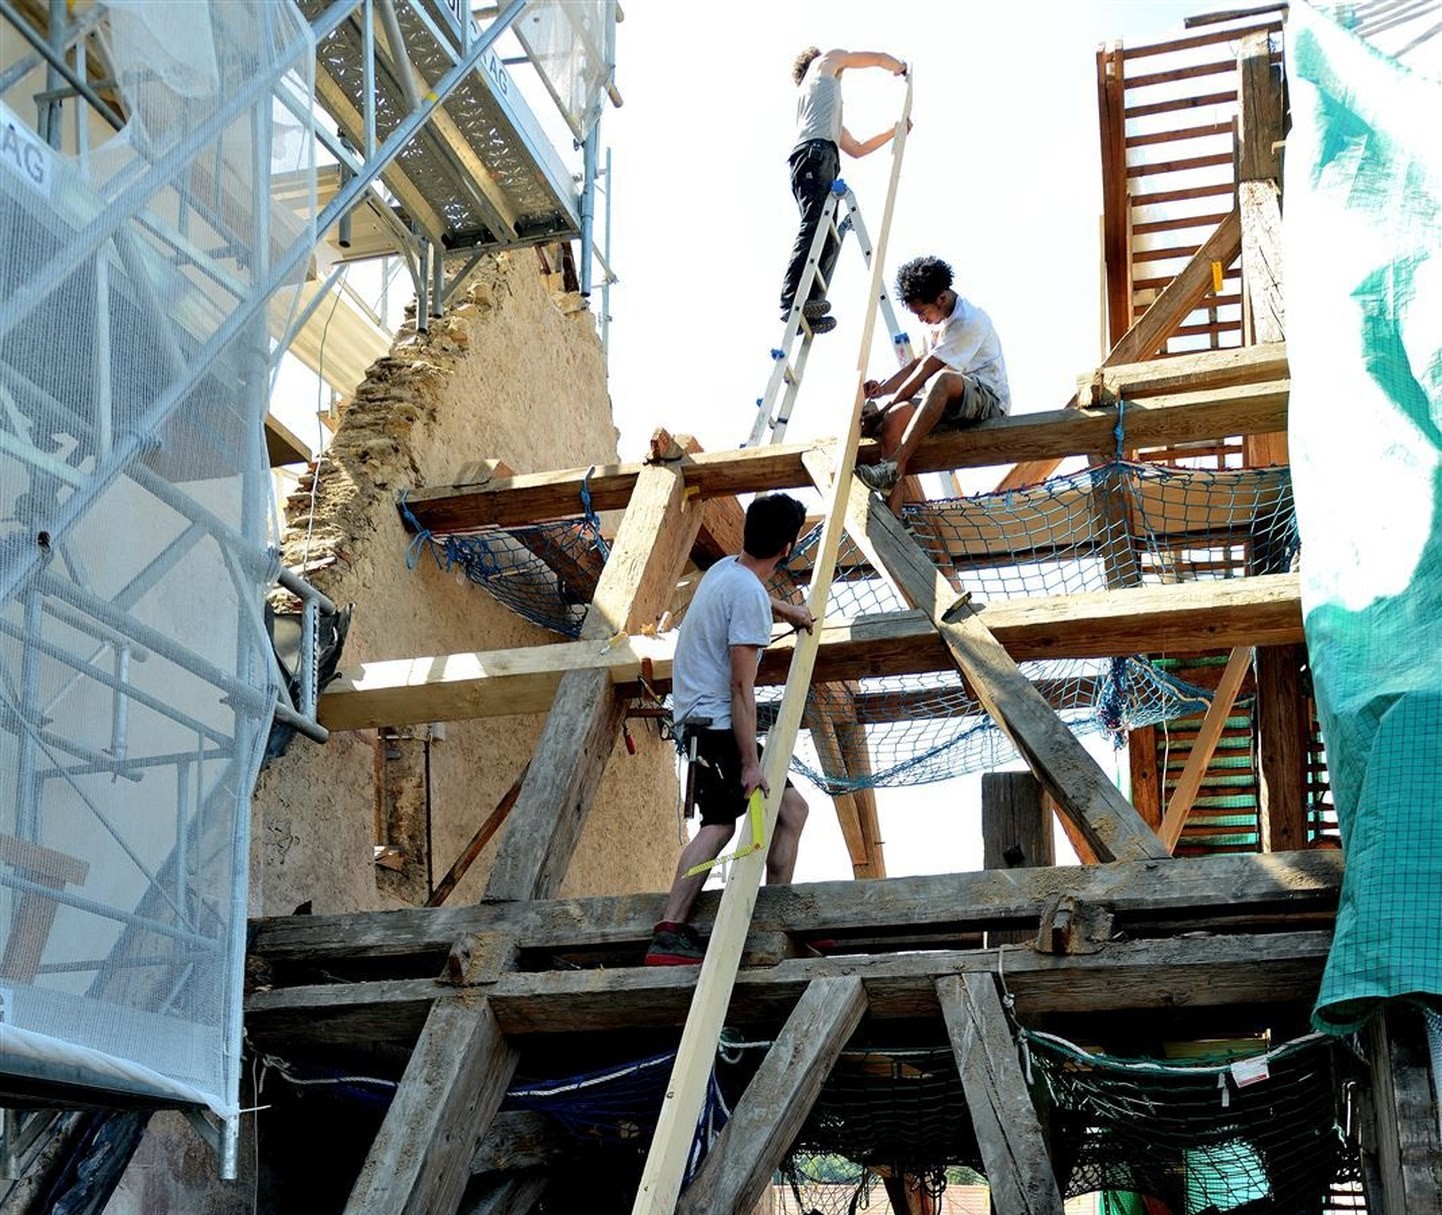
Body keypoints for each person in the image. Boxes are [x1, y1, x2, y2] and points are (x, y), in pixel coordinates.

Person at [645, 494, 814, 966]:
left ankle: (775, 920)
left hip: (703, 717)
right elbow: (742, 688)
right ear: (787, 547)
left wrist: (789, 612)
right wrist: (750, 763)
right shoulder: (747, 596)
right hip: (716, 721)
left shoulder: (726, 571)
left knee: (792, 812)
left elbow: (753, 594)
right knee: (719, 825)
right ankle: (669, 930)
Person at [856, 255, 1011, 508]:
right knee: (896, 416)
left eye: (922, 312)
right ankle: (896, 516)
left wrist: (881, 409)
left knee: (943, 379)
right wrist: (883, 392)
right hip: (945, 402)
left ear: (941, 298)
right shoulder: (935, 323)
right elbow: (917, 366)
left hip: (988, 401)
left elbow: (927, 373)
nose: (921, 319)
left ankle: (892, 467)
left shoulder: (969, 321)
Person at [779, 46, 908, 333]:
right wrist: (898, 66)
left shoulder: (821, 107)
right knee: (814, 226)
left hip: (818, 155)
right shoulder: (824, 63)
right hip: (815, 154)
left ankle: (808, 304)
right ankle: (792, 302)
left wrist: (893, 131)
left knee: (825, 234)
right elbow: (873, 58)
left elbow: (857, 149)